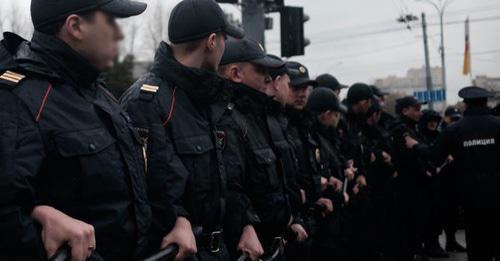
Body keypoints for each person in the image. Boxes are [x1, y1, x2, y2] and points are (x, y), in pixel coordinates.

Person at [0, 0, 152, 260]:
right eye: (112, 21)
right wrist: (40, 228)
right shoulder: (19, 99)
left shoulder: (100, 95)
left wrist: (177, 220)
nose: (120, 33)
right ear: (76, 26)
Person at [120, 1, 262, 260]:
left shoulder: (206, 97)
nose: (224, 46)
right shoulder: (147, 101)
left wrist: (245, 223)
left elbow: (224, 177)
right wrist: (177, 218)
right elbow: (145, 188)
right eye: (224, 38)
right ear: (211, 41)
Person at [218, 39, 308, 260]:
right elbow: (232, 185)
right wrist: (245, 225)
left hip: (274, 245)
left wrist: (288, 222)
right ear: (236, 73)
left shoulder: (255, 116)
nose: (268, 78)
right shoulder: (228, 120)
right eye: (260, 70)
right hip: (250, 250)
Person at [406, 86, 500, 261]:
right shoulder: (497, 125)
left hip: (471, 196)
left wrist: (415, 145)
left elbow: (434, 154)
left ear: (466, 105)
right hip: (497, 192)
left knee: (477, 242)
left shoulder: (455, 129)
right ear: (486, 103)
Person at [389, 96, 430, 261]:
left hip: (416, 185)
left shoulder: (412, 127)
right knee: (408, 224)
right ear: (405, 110)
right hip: (407, 186)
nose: (420, 113)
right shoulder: (400, 129)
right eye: (417, 109)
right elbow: (409, 158)